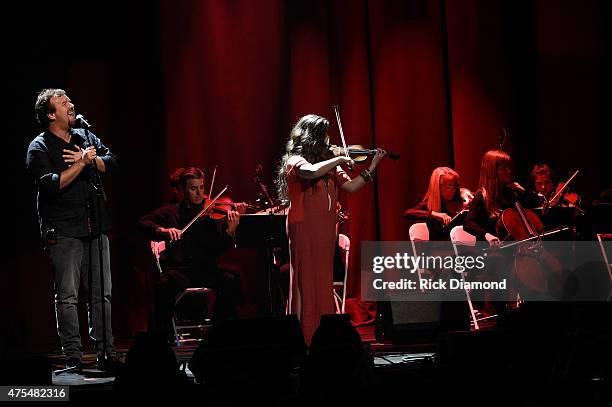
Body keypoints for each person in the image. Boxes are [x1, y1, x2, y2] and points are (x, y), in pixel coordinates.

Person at [25, 89, 119, 370]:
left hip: (96, 224)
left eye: (70, 100)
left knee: (102, 292)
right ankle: (74, 356)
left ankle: (106, 350)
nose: (71, 104)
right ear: (51, 114)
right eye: (63, 102)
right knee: (67, 295)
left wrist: (94, 161)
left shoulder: (84, 136)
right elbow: (50, 184)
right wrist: (81, 163)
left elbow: (112, 161)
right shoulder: (38, 147)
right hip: (63, 228)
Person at [275, 114, 386, 344]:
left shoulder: (331, 166)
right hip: (304, 227)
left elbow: (352, 186)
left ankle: (323, 337)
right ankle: (304, 337)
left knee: (323, 281)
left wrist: (373, 165)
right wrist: (339, 158)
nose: (329, 140)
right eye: (324, 135)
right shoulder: (295, 161)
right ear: (313, 137)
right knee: (306, 281)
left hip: (325, 230)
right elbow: (311, 172)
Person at [138, 167, 242, 342]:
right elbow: (142, 223)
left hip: (205, 270)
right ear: (184, 190)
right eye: (193, 189)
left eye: (201, 187)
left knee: (231, 279)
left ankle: (220, 329)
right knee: (164, 283)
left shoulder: (210, 212)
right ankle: (163, 338)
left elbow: (218, 249)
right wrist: (163, 230)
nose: (199, 193)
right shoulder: (170, 211)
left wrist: (230, 232)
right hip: (181, 272)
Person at [404, 167, 472, 240]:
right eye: (449, 186)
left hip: (461, 246)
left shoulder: (459, 199)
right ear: (437, 186)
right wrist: (434, 214)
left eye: (455, 186)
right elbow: (408, 213)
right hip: (439, 248)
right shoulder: (429, 204)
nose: (453, 190)